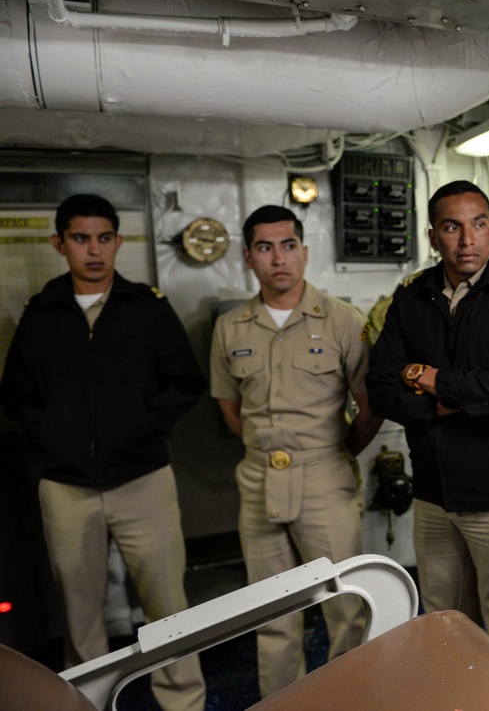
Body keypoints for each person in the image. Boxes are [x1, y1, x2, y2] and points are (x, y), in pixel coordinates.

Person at [0, 193, 207, 710]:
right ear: (59, 244)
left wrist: (138, 428)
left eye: (104, 238)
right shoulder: (41, 314)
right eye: (80, 238)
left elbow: (185, 382)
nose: (93, 250)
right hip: (66, 486)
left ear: (117, 242)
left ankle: (183, 701)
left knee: (168, 606)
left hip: (142, 480)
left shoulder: (147, 308)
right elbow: (16, 396)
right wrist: (55, 435)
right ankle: (84, 705)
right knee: (80, 613)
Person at [366, 180, 489, 665]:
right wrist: (448, 401)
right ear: (433, 237)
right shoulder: (412, 296)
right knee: (444, 629)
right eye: (452, 228)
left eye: (479, 224)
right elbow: (382, 387)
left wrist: (426, 378)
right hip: (433, 493)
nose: (467, 240)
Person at [209, 205, 382, 698]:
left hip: (324, 476)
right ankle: (282, 705)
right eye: (264, 248)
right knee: (270, 612)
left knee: (346, 606)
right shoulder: (231, 328)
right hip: (260, 479)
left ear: (304, 253)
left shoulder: (342, 320)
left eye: (288, 246)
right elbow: (231, 409)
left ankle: (350, 703)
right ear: (248, 257)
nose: (278, 258)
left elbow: (370, 405)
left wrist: (336, 452)